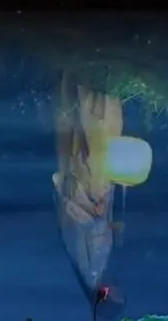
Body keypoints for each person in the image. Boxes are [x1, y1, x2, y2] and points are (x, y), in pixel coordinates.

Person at [52, 73, 126, 318]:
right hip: (87, 190)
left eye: (116, 296)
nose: (118, 290)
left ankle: (93, 82)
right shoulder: (89, 270)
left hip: (92, 190)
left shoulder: (92, 270)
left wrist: (98, 214)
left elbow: (87, 228)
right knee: (89, 132)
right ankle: (84, 82)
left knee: (100, 133)